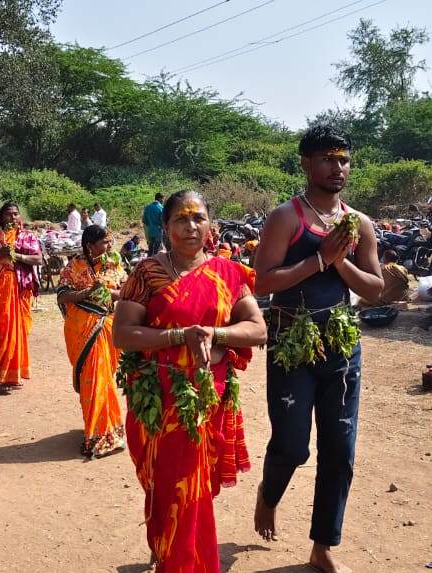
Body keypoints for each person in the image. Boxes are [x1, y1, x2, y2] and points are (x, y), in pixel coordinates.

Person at [113, 190, 267, 572]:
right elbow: (123, 333)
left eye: (199, 217)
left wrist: (215, 334)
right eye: (181, 219)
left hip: (208, 395)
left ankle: (181, 558)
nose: (191, 226)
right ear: (165, 227)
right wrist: (178, 336)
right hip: (160, 396)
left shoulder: (228, 272)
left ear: (210, 224)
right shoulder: (146, 273)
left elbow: (257, 329)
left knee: (193, 487)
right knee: (166, 483)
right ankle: (169, 546)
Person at [252, 125, 382, 573]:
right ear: (306, 163)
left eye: (344, 159)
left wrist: (340, 259)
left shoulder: (359, 223)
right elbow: (263, 282)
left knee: (339, 450)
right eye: (328, 158)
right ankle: (268, 496)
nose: (338, 167)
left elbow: (377, 289)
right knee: (291, 446)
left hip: (342, 348)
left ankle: (323, 546)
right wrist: (319, 259)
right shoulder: (285, 218)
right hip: (292, 343)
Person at [57, 225, 127, 459]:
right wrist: (87, 292)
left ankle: (108, 431)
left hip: (106, 326)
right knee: (93, 380)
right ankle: (96, 434)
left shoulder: (113, 264)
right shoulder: (74, 266)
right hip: (81, 328)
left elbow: (125, 291)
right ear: (90, 246)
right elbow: (63, 295)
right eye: (105, 242)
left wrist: (107, 293)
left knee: (105, 378)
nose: (109, 246)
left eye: (110, 241)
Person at [0, 202, 43, 389]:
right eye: (8, 214)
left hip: (19, 287)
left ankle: (12, 376)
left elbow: (38, 258)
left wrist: (16, 256)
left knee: (18, 331)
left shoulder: (26, 236)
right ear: (1, 216)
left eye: (16, 214)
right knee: (0, 329)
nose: (13, 217)